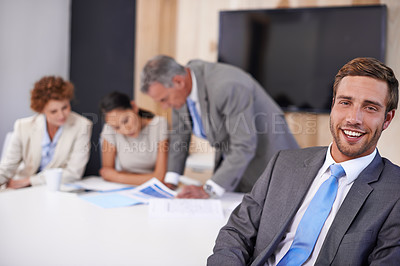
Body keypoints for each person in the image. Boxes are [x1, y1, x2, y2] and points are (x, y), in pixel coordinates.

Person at [207, 57, 400, 265]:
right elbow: (236, 234)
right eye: (345, 102)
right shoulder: (283, 163)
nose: (354, 118)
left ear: (387, 119)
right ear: (333, 105)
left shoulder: (395, 193)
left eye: (370, 108)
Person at [140, 55, 299, 198]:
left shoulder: (227, 86)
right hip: (235, 166)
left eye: (163, 100)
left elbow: (244, 145)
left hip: (269, 162)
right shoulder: (179, 92)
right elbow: (179, 138)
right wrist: (170, 181)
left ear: (178, 82)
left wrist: (208, 189)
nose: (165, 106)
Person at [0, 76, 93, 188]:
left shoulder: (82, 126)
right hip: (20, 189)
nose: (61, 115)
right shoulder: (23, 126)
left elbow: (74, 172)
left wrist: (30, 181)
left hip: (57, 189)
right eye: (53, 111)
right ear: (41, 110)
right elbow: (7, 167)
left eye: (65, 107)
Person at [99, 91, 168, 185]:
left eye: (126, 120)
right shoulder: (109, 129)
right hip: (125, 189)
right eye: (117, 127)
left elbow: (160, 177)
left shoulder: (159, 124)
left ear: (134, 107)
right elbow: (107, 173)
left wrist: (117, 176)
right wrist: (150, 178)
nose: (125, 130)